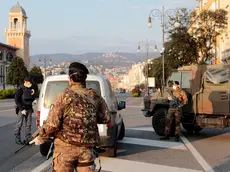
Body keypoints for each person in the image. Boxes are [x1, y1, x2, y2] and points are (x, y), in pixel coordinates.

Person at [30, 62, 110, 172]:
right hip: (86, 150)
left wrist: (42, 136)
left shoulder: (63, 97)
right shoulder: (95, 96)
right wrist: (88, 117)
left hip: (65, 151)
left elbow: (52, 125)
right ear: (84, 79)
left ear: (70, 79)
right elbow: (106, 118)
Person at [15, 76, 35, 145]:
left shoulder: (30, 89)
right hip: (22, 109)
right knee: (19, 124)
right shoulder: (20, 89)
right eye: (29, 82)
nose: (30, 84)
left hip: (29, 109)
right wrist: (21, 109)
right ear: (25, 82)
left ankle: (28, 138)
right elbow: (17, 100)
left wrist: (34, 100)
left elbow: (32, 97)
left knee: (28, 124)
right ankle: (17, 138)